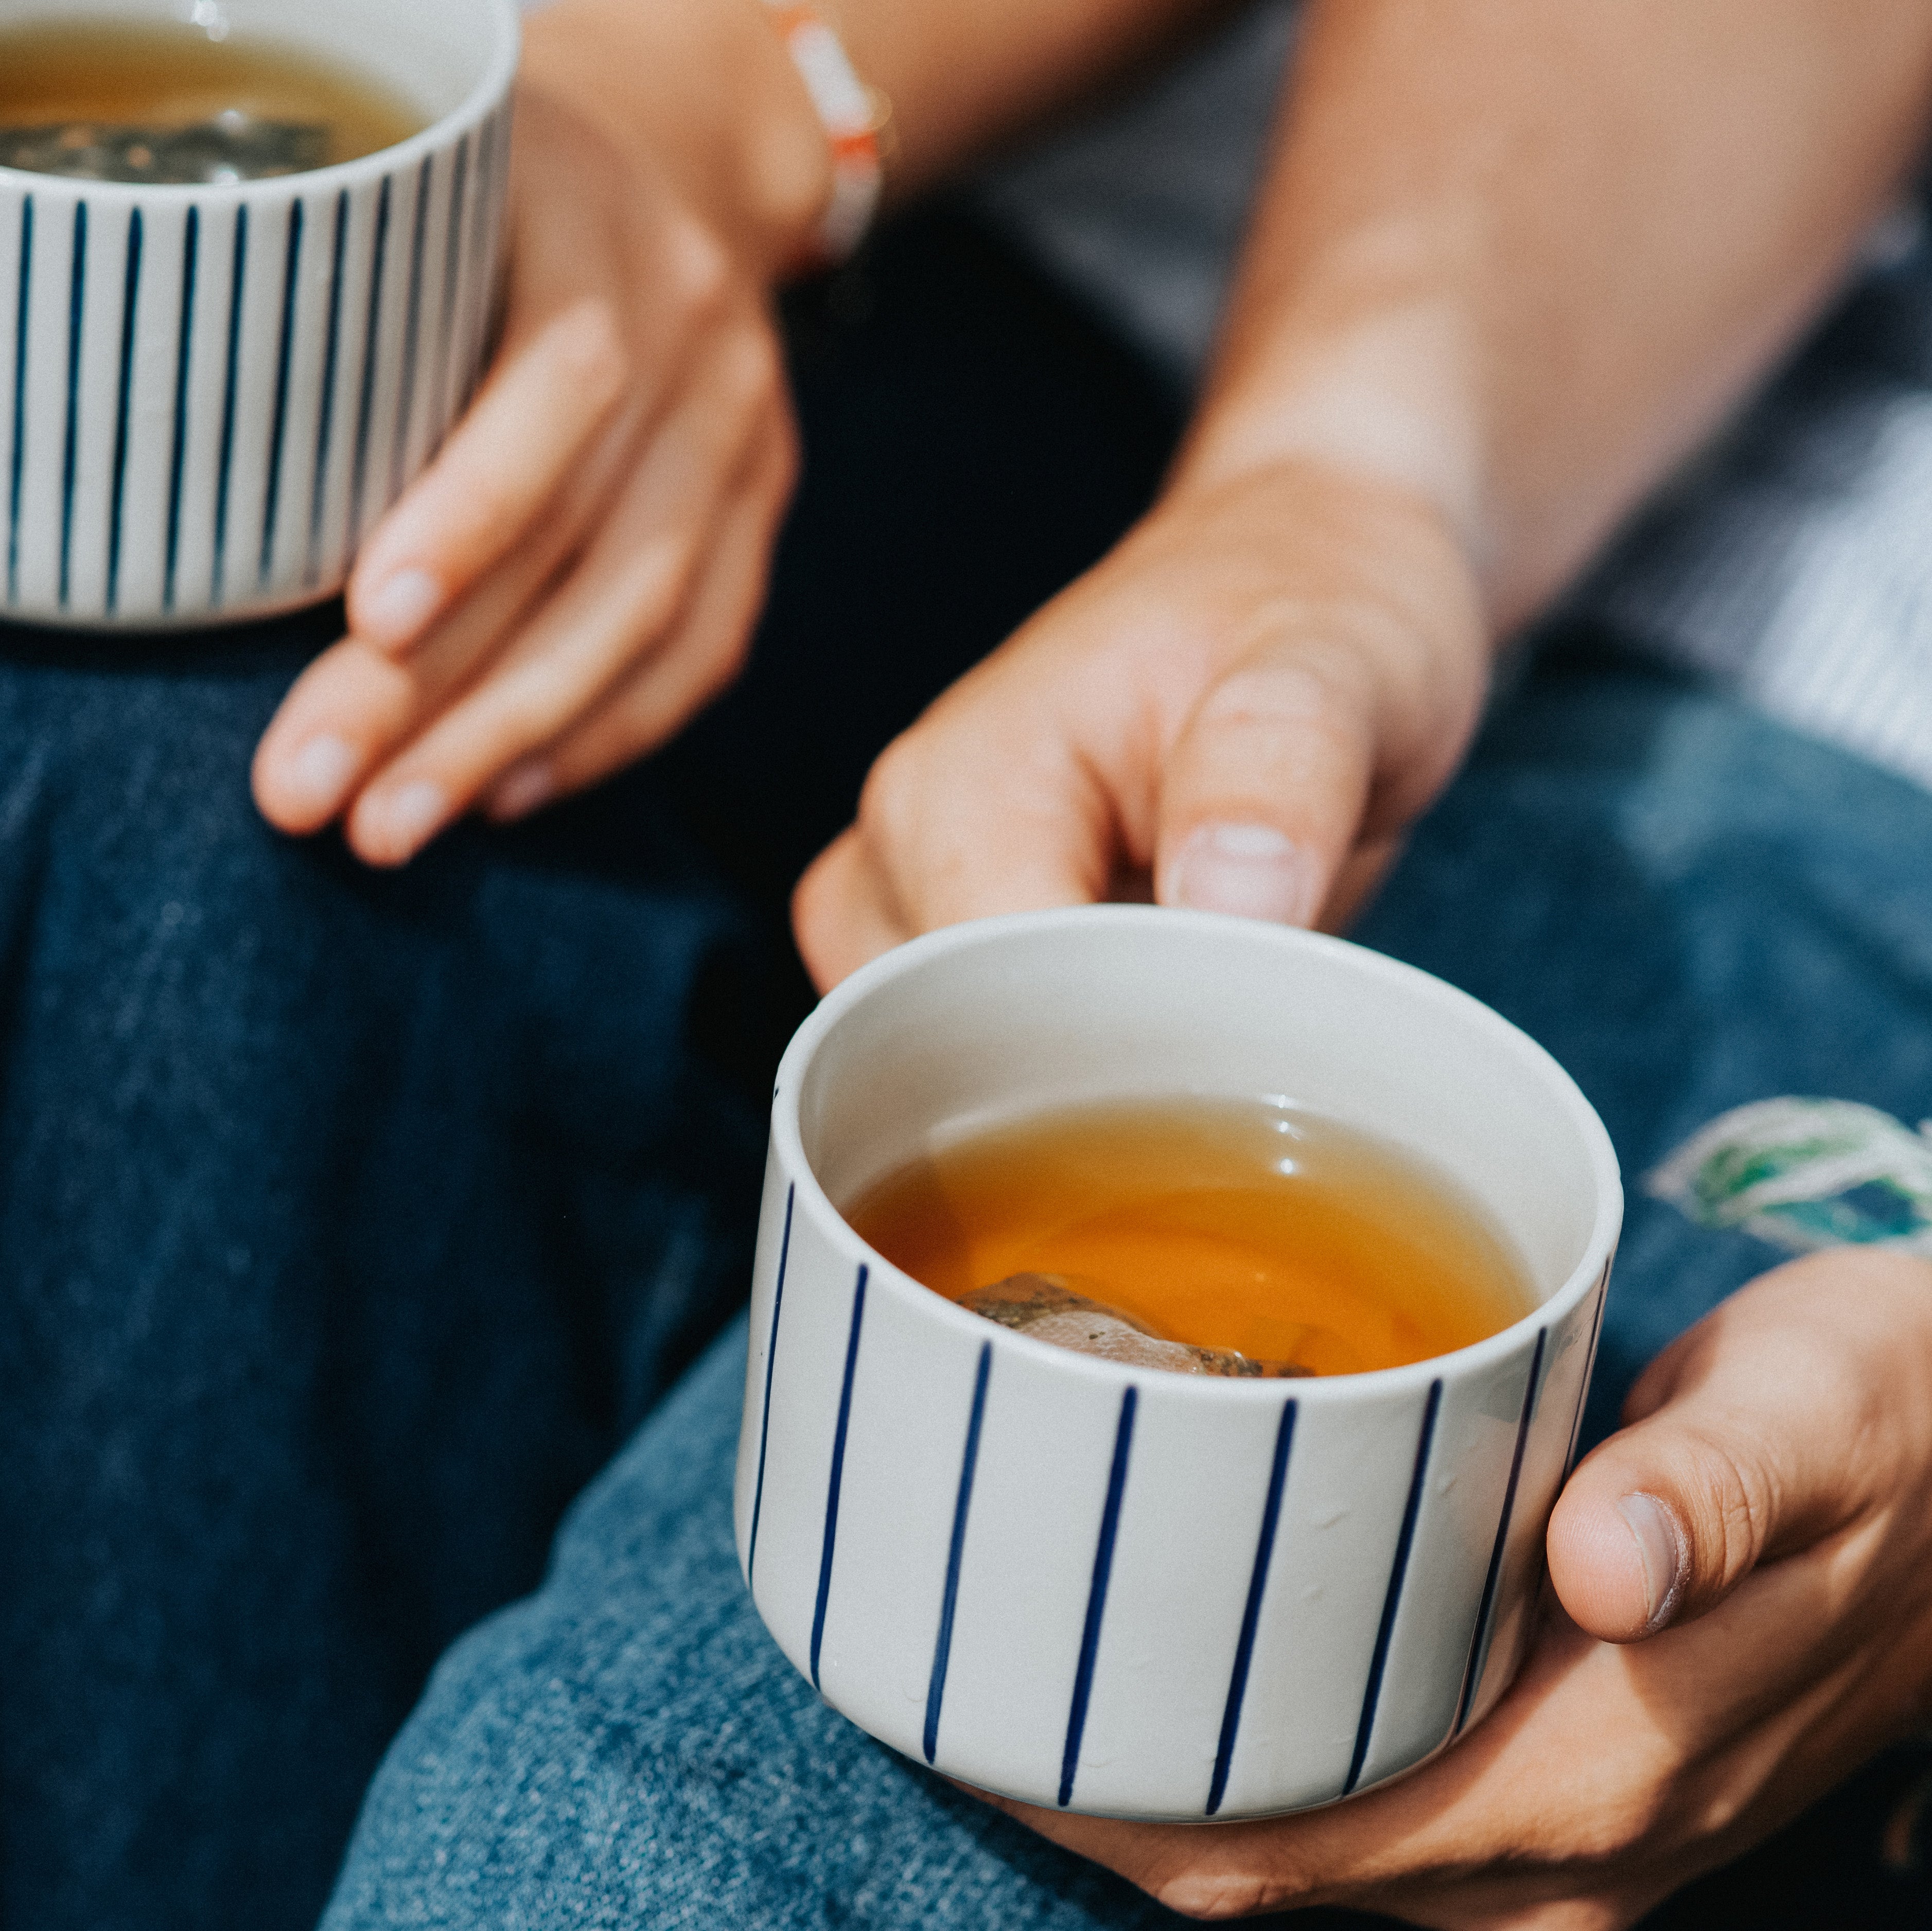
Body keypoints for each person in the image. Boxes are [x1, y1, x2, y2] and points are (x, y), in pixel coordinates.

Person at [5, 4, 1931, 1930]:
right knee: (163, 855)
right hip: (1240, 291)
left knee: (647, 1862)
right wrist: (1339, 487)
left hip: (1852, 689)